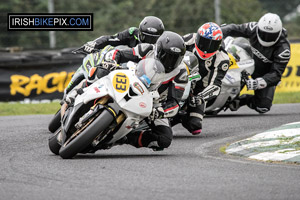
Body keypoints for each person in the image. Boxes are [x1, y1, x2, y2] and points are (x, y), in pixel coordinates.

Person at [108, 31, 187, 151]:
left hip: (153, 103)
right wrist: (110, 62)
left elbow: (175, 103)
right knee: (98, 73)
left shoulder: (181, 72)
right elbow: (119, 53)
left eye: (175, 58)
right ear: (159, 50)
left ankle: (125, 138)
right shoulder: (147, 49)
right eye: (167, 56)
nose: (169, 61)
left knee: (165, 139)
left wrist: (161, 111)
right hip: (131, 82)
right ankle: (77, 96)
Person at [65, 16, 165, 95]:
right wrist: (94, 43)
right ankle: (75, 93)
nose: (148, 42)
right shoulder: (132, 33)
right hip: (118, 62)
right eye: (146, 37)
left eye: (153, 39)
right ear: (140, 32)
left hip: (135, 75)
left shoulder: (159, 50)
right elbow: (111, 39)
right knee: (94, 73)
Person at [221, 13, 291, 113]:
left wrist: (259, 82)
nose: (266, 37)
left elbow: (276, 74)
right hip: (243, 62)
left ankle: (240, 100)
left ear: (278, 33)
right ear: (258, 29)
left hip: (262, 74)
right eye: (263, 33)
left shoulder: (284, 50)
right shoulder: (253, 27)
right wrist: (218, 32)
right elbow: (232, 28)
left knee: (263, 106)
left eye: (270, 35)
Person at [173, 22, 229, 135]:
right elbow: (172, 47)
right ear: (198, 37)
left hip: (198, 90)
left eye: (211, 44)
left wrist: (200, 98)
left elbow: (216, 85)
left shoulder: (222, 58)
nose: (206, 48)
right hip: (176, 77)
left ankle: (179, 117)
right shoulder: (189, 39)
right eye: (203, 42)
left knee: (195, 126)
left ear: (218, 45)